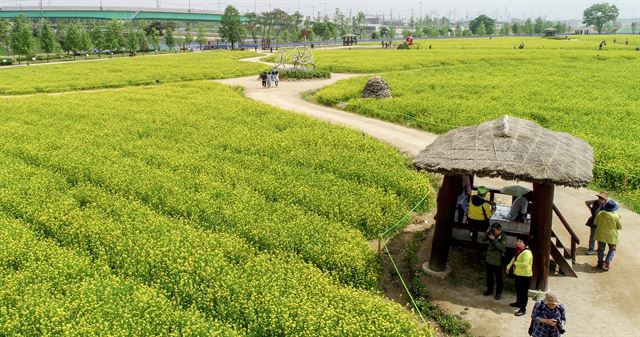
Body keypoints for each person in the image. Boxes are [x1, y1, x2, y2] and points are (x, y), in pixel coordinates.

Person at [594, 199, 622, 271]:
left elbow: (595, 223)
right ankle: (607, 262)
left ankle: (600, 263)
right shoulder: (616, 216)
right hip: (611, 236)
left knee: (600, 249)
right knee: (612, 249)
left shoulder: (600, 213)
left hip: (600, 235)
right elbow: (619, 227)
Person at [507, 237, 533, 316]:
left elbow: (525, 264)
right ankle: (518, 302)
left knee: (524, 292)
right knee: (518, 290)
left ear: (525, 243)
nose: (518, 242)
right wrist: (508, 266)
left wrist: (515, 264)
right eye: (517, 241)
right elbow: (514, 259)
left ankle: (523, 309)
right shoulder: (520, 250)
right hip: (518, 274)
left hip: (525, 276)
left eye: (520, 241)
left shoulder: (527, 253)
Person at [484, 223, 507, 300]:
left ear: (499, 230)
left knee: (498, 278)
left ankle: (498, 293)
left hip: (498, 262)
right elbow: (484, 241)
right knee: (489, 277)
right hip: (489, 259)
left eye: (495, 230)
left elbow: (501, 248)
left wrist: (494, 240)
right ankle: (489, 290)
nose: (494, 231)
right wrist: (486, 235)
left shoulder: (503, 237)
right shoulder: (491, 234)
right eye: (493, 230)